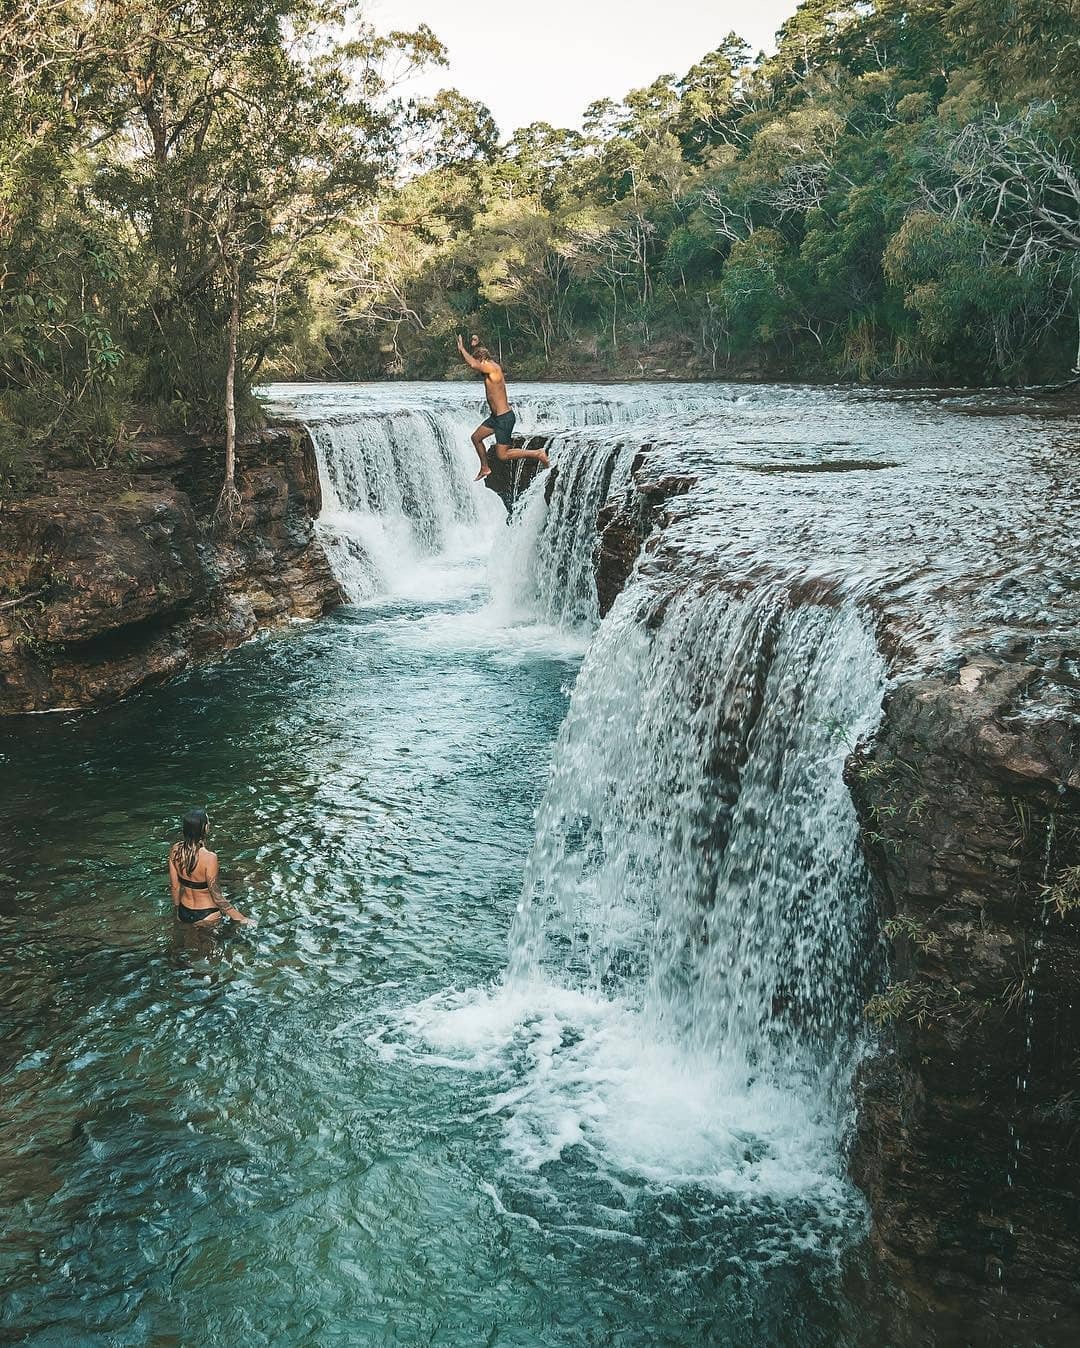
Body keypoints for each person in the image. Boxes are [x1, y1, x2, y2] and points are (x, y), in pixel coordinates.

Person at [457, 333, 550, 481]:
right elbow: (476, 361)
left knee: (502, 455)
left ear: (482, 359)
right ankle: (485, 468)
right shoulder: (488, 366)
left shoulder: (493, 369)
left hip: (504, 418)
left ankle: (538, 453)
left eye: (478, 361)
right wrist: (475, 342)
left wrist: (461, 348)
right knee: (476, 438)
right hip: (495, 418)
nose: (477, 369)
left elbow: (474, 364)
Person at [168, 808, 254, 926]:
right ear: (204, 828)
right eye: (208, 822)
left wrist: (177, 910)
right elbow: (216, 896)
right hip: (207, 913)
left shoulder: (175, 850)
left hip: (183, 910)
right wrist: (240, 918)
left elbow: (175, 886)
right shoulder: (210, 857)